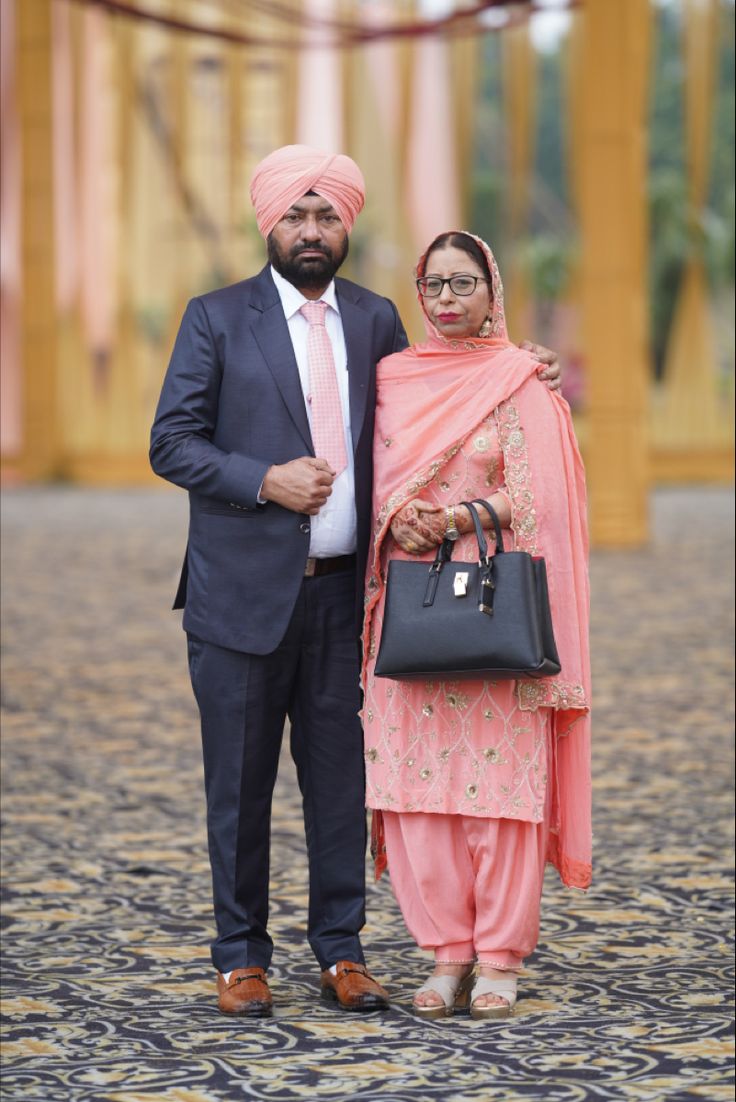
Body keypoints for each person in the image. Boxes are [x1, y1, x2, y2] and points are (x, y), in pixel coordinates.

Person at [150, 146, 562, 1018]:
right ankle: (240, 958)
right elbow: (171, 442)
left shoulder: (376, 320)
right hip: (240, 597)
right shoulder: (215, 317)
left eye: (326, 216)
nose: (311, 231)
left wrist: (525, 368)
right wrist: (265, 479)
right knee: (239, 785)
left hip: (352, 598)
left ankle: (342, 952)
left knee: (343, 785)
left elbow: (448, 387)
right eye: (296, 216)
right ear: (269, 222)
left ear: (348, 225)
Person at [361, 230, 591, 1021]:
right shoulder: (392, 377)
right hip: (410, 608)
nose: (448, 299)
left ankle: (497, 955)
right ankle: (444, 952)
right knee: (416, 791)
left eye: (465, 284)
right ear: (418, 294)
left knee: (497, 791)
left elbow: (543, 501)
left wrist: (456, 514)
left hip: (492, 611)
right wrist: (399, 519)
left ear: (493, 292)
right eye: (435, 285)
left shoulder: (520, 378)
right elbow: (364, 480)